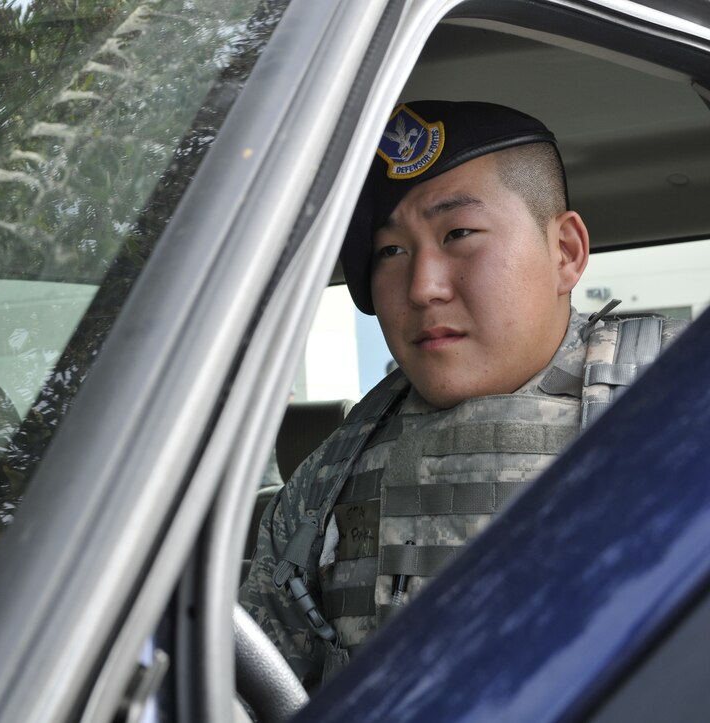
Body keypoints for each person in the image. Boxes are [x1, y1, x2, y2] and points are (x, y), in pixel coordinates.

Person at [239, 100, 688, 690]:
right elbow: (248, 686)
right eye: (390, 252)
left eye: (459, 234)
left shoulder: (681, 407)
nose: (422, 287)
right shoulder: (327, 480)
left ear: (566, 252)